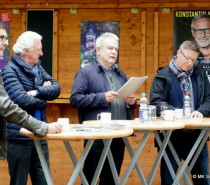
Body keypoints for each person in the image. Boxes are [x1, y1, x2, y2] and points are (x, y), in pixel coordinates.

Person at [70, 32, 137, 185]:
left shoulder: (121, 74)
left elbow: (128, 104)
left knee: (111, 179)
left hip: (119, 134)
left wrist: (132, 102)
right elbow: (75, 100)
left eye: (116, 49)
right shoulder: (85, 73)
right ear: (98, 50)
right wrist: (101, 97)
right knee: (90, 178)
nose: (114, 52)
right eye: (110, 48)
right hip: (96, 135)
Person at [1, 31, 61, 185]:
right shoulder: (9, 71)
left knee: (44, 181)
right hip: (19, 138)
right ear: (26, 51)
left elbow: (56, 88)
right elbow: (20, 100)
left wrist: (37, 92)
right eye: (38, 49)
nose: (41, 53)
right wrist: (44, 100)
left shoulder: (38, 68)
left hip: (41, 136)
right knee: (19, 182)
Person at [150, 40, 210, 185]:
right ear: (178, 53)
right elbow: (156, 102)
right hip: (170, 138)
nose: (190, 63)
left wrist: (202, 111)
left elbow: (209, 98)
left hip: (197, 136)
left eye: (193, 60)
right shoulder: (162, 75)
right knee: (168, 181)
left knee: (202, 179)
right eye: (187, 58)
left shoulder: (200, 74)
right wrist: (173, 112)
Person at [191, 13, 210, 82]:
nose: (202, 35)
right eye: (198, 31)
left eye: (207, 30)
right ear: (193, 33)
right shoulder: (184, 56)